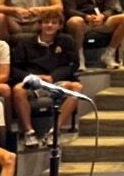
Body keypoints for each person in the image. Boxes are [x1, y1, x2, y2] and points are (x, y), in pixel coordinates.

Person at [12, 13, 83, 145]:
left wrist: (53, 77)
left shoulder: (66, 41)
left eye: (54, 22)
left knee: (77, 88)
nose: (49, 25)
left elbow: (73, 65)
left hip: (56, 81)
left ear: (59, 26)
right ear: (40, 24)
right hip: (34, 81)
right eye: (46, 22)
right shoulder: (25, 44)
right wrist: (36, 77)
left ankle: (54, 131)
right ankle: (29, 132)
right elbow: (15, 69)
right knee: (18, 89)